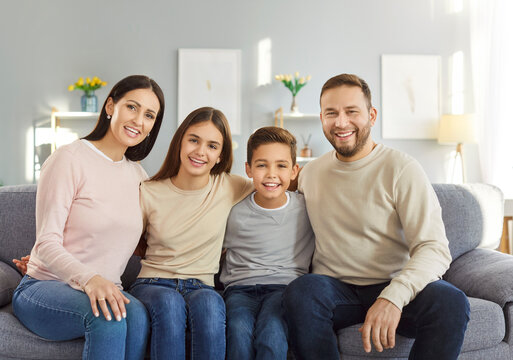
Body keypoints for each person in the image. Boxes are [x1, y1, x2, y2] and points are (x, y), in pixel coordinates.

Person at [283, 73, 470, 360]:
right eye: (331, 113)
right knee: (302, 292)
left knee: (451, 302)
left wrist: (393, 297)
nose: (341, 122)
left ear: (371, 115)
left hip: (393, 281)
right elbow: (267, 190)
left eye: (351, 112)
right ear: (321, 118)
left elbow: (434, 248)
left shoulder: (402, 169)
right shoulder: (310, 174)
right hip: (335, 289)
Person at [12, 75, 165, 360]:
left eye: (149, 115)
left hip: (105, 289)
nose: (138, 120)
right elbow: (46, 243)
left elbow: (141, 243)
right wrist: (89, 279)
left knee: (138, 316)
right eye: (131, 107)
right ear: (110, 106)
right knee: (109, 316)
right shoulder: (69, 158)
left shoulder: (139, 176)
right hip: (45, 287)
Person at [128, 107, 253, 360]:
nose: (200, 152)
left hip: (202, 286)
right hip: (153, 283)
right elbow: (121, 239)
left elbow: (276, 181)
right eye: (194, 140)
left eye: (212, 146)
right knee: (169, 304)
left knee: (210, 304)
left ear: (220, 155)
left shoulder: (230, 186)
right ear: (180, 142)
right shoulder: (149, 190)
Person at [220, 126, 315, 360]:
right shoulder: (233, 211)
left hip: (285, 289)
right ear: (248, 169)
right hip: (239, 290)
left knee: (271, 334)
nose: (271, 174)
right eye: (262, 165)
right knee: (238, 332)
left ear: (294, 171)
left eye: (281, 166)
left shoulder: (307, 207)